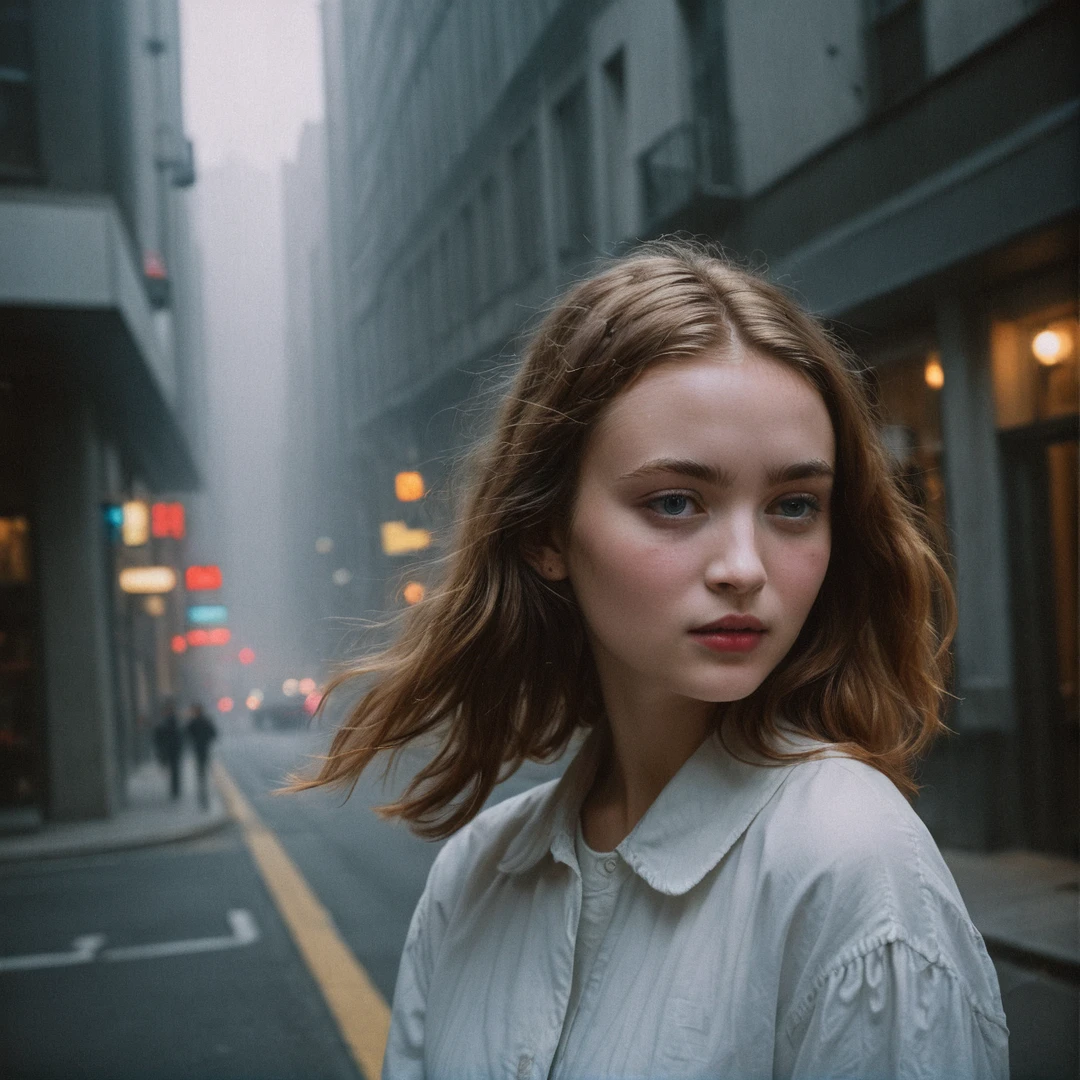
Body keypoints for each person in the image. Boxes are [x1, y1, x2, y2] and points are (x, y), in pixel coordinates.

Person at [294, 243, 1008, 1078]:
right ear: (546, 532)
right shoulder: (475, 877)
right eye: (676, 502)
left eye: (793, 506)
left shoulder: (850, 864)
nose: (744, 566)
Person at [185, 703, 218, 811]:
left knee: (200, 771)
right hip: (204, 749)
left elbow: (186, 734)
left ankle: (202, 790)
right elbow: (214, 734)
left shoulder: (193, 722)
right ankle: (204, 792)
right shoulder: (205, 721)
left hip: (198, 749)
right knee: (203, 770)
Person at [153, 703, 183, 801]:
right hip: (173, 749)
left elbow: (167, 734)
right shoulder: (171, 721)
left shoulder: (170, 721)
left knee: (174, 771)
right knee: (174, 770)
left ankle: (175, 790)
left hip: (172, 749)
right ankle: (175, 789)